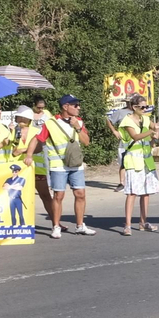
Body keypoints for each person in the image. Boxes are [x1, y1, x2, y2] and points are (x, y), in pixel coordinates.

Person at [26, 94, 94, 237]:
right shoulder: (50, 123)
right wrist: (29, 155)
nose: (79, 108)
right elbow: (37, 139)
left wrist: (77, 127)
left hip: (75, 163)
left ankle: (80, 225)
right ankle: (56, 226)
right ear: (65, 107)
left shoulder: (79, 122)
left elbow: (86, 141)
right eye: (75, 105)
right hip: (58, 165)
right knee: (58, 195)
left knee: (80, 194)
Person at [116, 95, 159, 235]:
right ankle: (127, 225)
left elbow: (155, 129)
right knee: (132, 193)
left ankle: (143, 222)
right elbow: (135, 137)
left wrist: (156, 133)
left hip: (146, 161)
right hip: (133, 161)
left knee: (146, 193)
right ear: (134, 107)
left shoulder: (146, 119)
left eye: (146, 107)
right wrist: (151, 131)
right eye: (142, 107)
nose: (145, 109)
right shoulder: (127, 121)